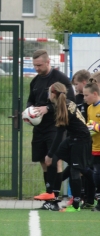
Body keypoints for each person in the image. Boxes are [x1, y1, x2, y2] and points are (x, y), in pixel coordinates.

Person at [25, 49, 75, 211]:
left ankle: (55, 200)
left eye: (39, 65)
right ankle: (49, 198)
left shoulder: (61, 79)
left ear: (48, 62)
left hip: (56, 126)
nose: (36, 68)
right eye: (34, 65)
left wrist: (48, 108)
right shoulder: (35, 81)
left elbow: (70, 101)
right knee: (43, 161)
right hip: (39, 128)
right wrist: (29, 114)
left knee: (54, 160)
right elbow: (30, 102)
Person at [43, 82, 91, 212]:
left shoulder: (62, 107)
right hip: (73, 138)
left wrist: (49, 154)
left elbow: (59, 134)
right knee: (58, 160)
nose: (48, 95)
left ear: (53, 93)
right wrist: (52, 155)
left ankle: (76, 204)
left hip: (81, 139)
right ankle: (53, 194)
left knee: (75, 170)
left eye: (49, 92)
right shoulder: (65, 102)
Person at [62, 69, 95, 209]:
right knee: (77, 168)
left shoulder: (91, 102)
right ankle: (79, 198)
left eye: (76, 84)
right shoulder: (76, 100)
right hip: (75, 139)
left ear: (84, 82)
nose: (75, 87)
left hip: (87, 141)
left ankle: (85, 198)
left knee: (81, 169)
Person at [83, 78, 100, 212]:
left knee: (97, 175)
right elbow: (90, 125)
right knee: (95, 176)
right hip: (94, 147)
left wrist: (96, 127)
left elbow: (94, 126)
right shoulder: (89, 108)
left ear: (95, 94)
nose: (84, 98)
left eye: (86, 95)